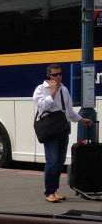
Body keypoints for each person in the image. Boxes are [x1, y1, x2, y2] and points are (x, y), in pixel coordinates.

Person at [33, 64, 93, 203]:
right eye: (55, 75)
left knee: (59, 162)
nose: (58, 77)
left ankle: (54, 190)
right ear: (49, 76)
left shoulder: (64, 89)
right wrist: (52, 92)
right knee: (52, 161)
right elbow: (42, 107)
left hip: (62, 129)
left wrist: (81, 119)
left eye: (60, 74)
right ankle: (49, 192)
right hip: (50, 129)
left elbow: (69, 111)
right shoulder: (41, 89)